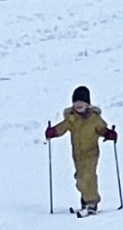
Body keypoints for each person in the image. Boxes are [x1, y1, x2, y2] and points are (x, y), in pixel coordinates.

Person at [45, 85, 117, 215]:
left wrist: (108, 134)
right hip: (77, 154)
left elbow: (101, 129)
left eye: (81, 102)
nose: (78, 105)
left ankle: (92, 203)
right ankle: (85, 199)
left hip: (91, 153)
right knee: (79, 178)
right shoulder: (72, 119)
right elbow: (62, 127)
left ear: (87, 104)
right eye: (76, 102)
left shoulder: (94, 118)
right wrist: (53, 132)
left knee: (88, 176)